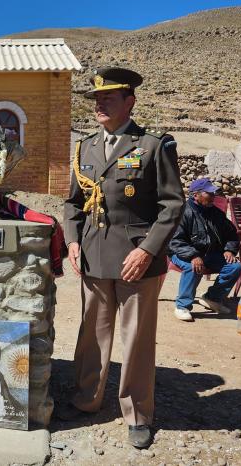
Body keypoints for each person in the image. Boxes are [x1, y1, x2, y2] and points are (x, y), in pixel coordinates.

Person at [60, 67, 185, 449]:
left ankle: (137, 414)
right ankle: (87, 399)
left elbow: (173, 203)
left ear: (129, 102)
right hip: (94, 255)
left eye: (108, 99)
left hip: (137, 261)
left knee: (136, 339)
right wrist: (72, 241)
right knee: (91, 334)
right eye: (97, 99)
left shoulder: (152, 145)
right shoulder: (85, 147)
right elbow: (72, 203)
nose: (99, 105)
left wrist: (148, 250)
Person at [169, 177, 241, 321]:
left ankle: (212, 298)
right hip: (182, 253)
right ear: (196, 195)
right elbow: (175, 241)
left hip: (209, 254)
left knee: (235, 267)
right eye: (209, 193)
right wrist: (193, 255)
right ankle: (182, 306)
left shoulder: (215, 213)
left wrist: (229, 250)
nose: (213, 197)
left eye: (214, 193)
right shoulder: (183, 212)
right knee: (194, 266)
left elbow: (232, 234)